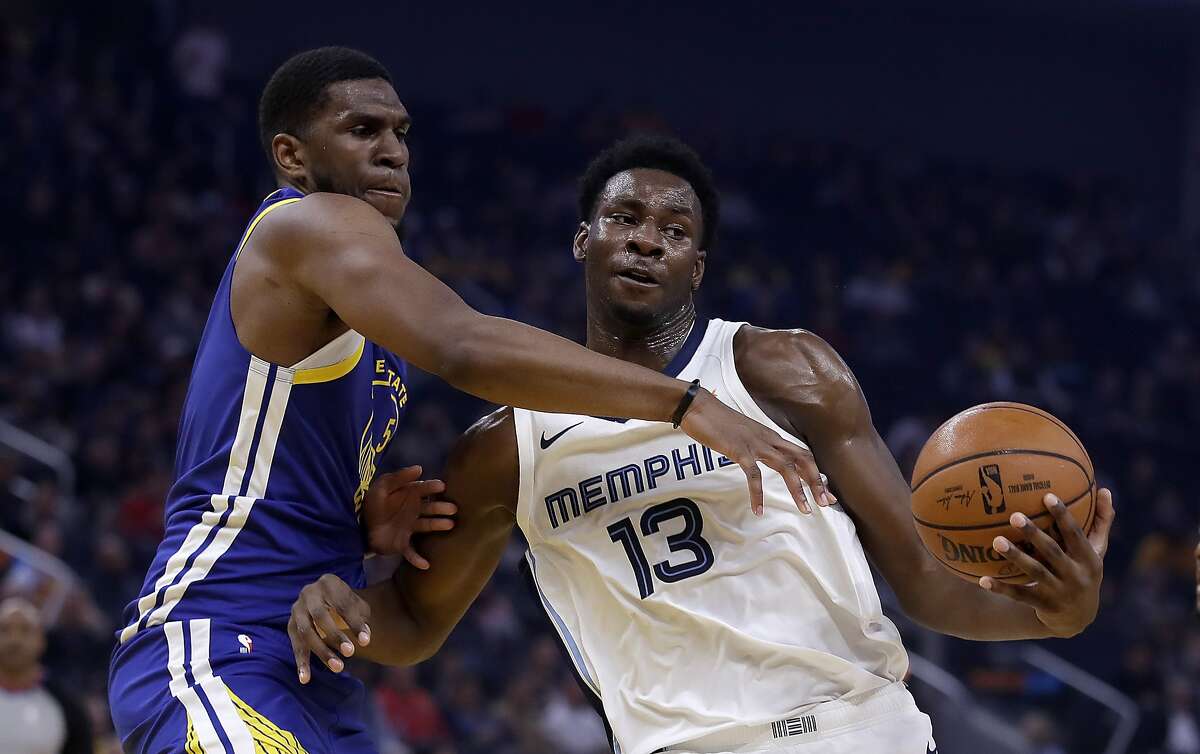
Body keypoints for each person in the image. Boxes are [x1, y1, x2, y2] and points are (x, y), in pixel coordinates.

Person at [289, 135, 1117, 754]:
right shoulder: (505, 449)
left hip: (848, 732)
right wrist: (337, 604)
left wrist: (1050, 613)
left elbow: (926, 584)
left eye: (674, 230)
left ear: (696, 265)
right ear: (585, 240)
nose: (648, 238)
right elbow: (412, 625)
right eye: (625, 217)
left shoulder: (783, 369)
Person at [107, 48, 827, 754]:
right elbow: (462, 346)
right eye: (363, 131)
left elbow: (260, 463)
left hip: (311, 669)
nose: (393, 151)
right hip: (214, 642)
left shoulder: (364, 300)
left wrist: (357, 525)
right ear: (293, 156)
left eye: (400, 133)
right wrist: (686, 402)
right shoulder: (308, 222)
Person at [0, 598, 93, 754]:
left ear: (41, 640)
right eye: (4, 630)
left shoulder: (68, 706)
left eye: (25, 630)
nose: (14, 640)